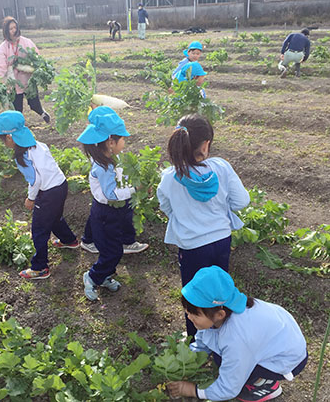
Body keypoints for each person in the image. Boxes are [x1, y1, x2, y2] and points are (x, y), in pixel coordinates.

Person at [157, 114, 250, 338]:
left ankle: (198, 341)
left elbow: (166, 208)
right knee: (220, 290)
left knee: (195, 296)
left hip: (192, 247)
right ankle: (223, 333)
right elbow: (242, 201)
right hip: (220, 241)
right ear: (206, 144)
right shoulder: (221, 167)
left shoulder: (170, 178)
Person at [167, 266, 308, 402]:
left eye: (194, 314)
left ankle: (266, 383)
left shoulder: (238, 339)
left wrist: (193, 390)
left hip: (287, 359)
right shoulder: (224, 309)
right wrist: (190, 359)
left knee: (223, 360)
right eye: (187, 312)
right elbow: (204, 337)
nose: (189, 317)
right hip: (276, 340)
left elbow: (229, 388)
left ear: (220, 314)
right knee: (222, 356)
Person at [0, 110, 78, 280]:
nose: (2, 142)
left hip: (48, 192)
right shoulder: (39, 144)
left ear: (9, 138)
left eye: (1, 139)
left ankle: (40, 268)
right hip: (61, 184)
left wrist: (31, 198)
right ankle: (69, 240)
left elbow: (35, 180)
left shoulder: (22, 157)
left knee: (38, 229)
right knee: (54, 217)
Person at [77, 107, 148, 300]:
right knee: (112, 252)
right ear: (110, 142)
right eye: (122, 138)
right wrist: (136, 189)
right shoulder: (103, 166)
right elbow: (111, 194)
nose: (125, 141)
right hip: (105, 213)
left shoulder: (108, 158)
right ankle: (92, 277)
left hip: (111, 213)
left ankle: (105, 276)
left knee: (113, 249)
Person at [0, 17, 51, 123]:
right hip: (13, 82)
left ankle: (43, 113)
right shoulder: (3, 47)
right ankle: (19, 126)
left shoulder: (26, 42)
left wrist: (34, 67)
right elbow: (0, 65)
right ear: (6, 31)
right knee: (17, 108)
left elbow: (37, 57)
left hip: (27, 80)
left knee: (34, 103)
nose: (13, 31)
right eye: (10, 29)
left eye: (15, 27)